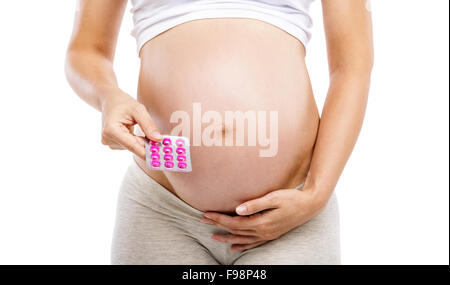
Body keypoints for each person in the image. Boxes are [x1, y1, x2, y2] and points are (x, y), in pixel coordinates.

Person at [65, 0, 373, 265]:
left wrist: (316, 194)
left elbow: (352, 66)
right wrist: (108, 96)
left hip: (291, 214)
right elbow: (86, 50)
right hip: (162, 209)